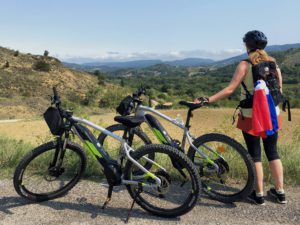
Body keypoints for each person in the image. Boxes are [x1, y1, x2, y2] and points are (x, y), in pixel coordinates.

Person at [195, 30, 287, 205]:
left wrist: (208, 100)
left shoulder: (245, 64)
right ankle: (280, 193)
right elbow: (279, 90)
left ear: (247, 46)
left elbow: (230, 89)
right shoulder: (273, 63)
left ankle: (258, 194)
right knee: (273, 152)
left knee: (255, 155)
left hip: (251, 116)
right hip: (272, 115)